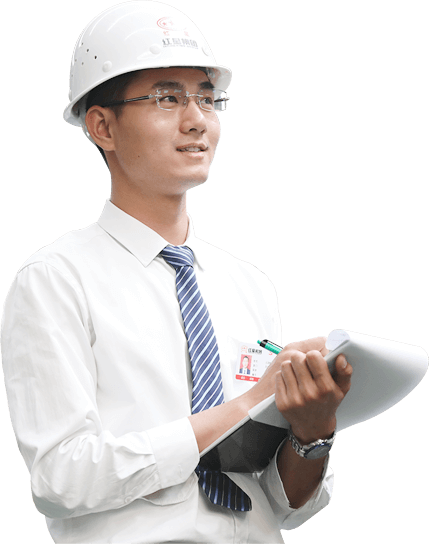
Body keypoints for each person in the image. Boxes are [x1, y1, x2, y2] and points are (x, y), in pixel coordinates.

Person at [1, 2, 353, 543]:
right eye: (167, 98)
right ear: (102, 126)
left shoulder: (250, 285)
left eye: (207, 99)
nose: (197, 120)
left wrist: (313, 434)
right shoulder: (57, 279)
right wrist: (243, 406)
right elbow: (61, 478)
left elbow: (280, 505)